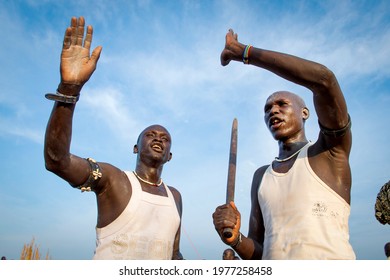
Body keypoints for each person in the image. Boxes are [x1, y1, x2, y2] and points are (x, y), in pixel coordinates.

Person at [44, 16, 183, 260]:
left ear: (170, 156)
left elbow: (173, 255)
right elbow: (57, 161)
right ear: (135, 148)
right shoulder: (113, 179)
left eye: (164, 137)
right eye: (149, 134)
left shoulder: (175, 197)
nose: (157, 138)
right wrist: (68, 90)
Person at [212, 29, 355, 260]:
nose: (273, 110)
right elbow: (260, 252)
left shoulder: (328, 153)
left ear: (305, 112)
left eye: (282, 104)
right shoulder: (261, 176)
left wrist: (244, 53)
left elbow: (325, 80)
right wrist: (236, 239)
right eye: (267, 109)